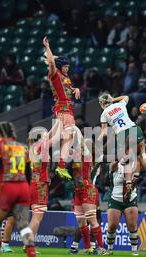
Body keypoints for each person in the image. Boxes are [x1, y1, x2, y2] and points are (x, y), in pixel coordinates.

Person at [0, 121, 37, 257]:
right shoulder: (22, 148)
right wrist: (26, 186)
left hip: (6, 187)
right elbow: (28, 172)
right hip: (23, 187)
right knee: (24, 225)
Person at [43, 36, 81, 181]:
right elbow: (51, 62)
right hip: (62, 110)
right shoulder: (54, 75)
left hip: (68, 110)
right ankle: (40, 149)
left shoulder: (65, 77)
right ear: (59, 67)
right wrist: (47, 47)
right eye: (65, 66)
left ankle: (61, 165)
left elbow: (67, 87)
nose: (67, 68)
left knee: (66, 136)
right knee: (63, 135)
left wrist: (75, 89)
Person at [98, 93, 145, 200]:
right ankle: (136, 175)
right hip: (135, 129)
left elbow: (104, 132)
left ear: (101, 104)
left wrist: (97, 141)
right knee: (138, 156)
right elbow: (126, 97)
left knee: (125, 159)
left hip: (122, 134)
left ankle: (128, 183)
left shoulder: (104, 113)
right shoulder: (120, 105)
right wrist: (114, 99)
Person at [105, 160, 140, 256]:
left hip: (130, 198)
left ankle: (134, 250)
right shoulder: (115, 164)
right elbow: (112, 167)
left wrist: (129, 191)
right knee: (112, 226)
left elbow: (135, 180)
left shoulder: (135, 163)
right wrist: (118, 160)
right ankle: (110, 249)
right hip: (115, 198)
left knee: (132, 225)